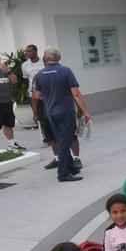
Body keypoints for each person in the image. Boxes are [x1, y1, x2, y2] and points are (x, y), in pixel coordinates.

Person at [32, 47, 91, 182]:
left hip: (50, 112)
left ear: (46, 58)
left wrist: (48, 97)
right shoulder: (65, 71)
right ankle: (63, 174)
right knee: (65, 142)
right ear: (59, 58)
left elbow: (36, 95)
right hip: (65, 112)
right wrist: (85, 111)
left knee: (61, 140)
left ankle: (70, 167)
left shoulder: (40, 74)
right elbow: (76, 93)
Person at [20, 44, 45, 132]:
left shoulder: (44, 62)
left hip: (46, 93)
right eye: (26, 51)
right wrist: (26, 92)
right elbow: (26, 79)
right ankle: (44, 136)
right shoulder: (24, 65)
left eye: (29, 51)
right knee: (37, 115)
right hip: (33, 94)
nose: (27, 53)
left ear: (35, 51)